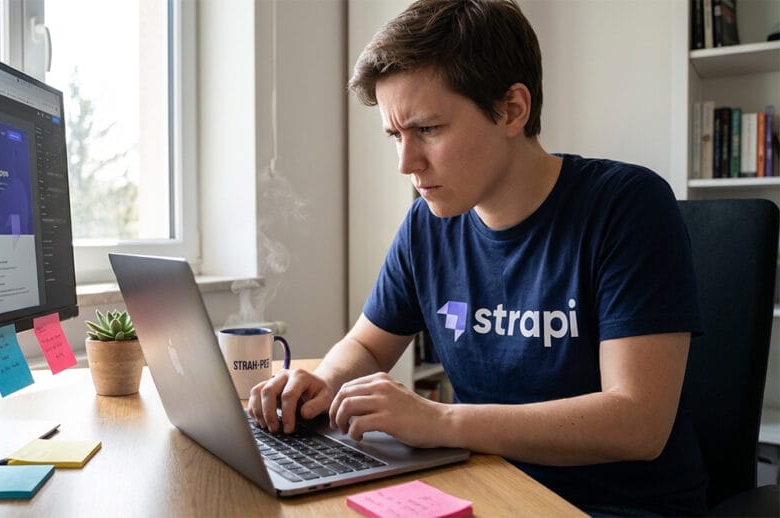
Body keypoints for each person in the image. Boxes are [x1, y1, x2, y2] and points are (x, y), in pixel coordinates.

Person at [247, 0, 707, 515]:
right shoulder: (429, 223)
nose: (407, 163)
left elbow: (637, 423)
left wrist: (439, 421)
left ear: (513, 109)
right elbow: (368, 345)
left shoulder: (627, 206)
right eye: (396, 136)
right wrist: (325, 380)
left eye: (428, 129)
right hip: (485, 486)